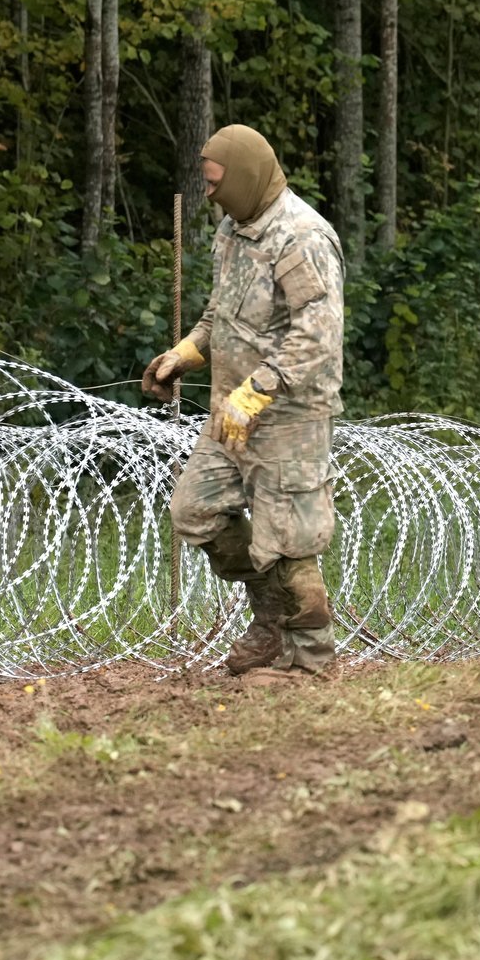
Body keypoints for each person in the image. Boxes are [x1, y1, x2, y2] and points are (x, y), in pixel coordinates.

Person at [141, 124, 345, 677]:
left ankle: (310, 664)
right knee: (195, 511)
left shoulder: (302, 237)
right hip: (231, 414)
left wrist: (257, 392)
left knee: (288, 540)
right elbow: (220, 313)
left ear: (248, 175)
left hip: (287, 418)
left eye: (214, 183)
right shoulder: (234, 227)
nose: (207, 194)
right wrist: (184, 354)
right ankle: (271, 616)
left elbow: (317, 337)